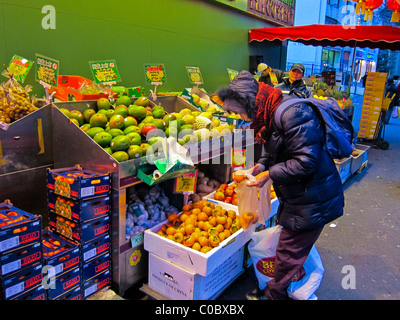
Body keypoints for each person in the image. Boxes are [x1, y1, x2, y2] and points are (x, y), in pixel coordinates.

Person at [217, 76, 344, 300]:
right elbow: (276, 146)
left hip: (314, 198)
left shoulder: (291, 114)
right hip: (300, 196)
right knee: (288, 250)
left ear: (249, 103)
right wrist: (261, 166)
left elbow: (306, 161)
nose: (240, 118)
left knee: (287, 254)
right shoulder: (270, 111)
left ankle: (275, 295)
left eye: (238, 112)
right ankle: (275, 289)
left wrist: (269, 174)